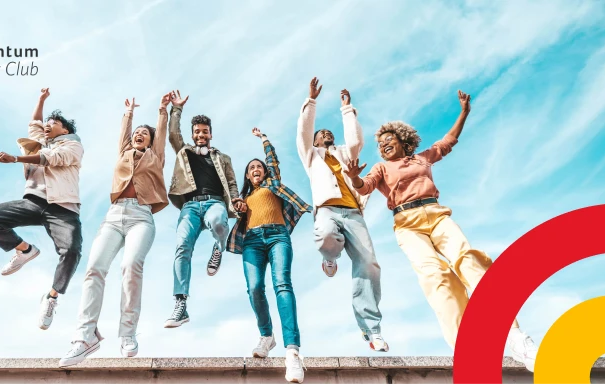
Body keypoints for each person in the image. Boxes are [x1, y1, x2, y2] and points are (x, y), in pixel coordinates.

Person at [344, 90, 539, 371]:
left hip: (436, 215)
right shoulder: (381, 168)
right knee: (437, 278)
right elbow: (365, 187)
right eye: (380, 143)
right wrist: (353, 178)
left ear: (403, 140)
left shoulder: (423, 158)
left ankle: (515, 338)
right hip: (407, 224)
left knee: (468, 261)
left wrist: (464, 112)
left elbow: (448, 142)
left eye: (389, 139)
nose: (384, 145)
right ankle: (468, 349)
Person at [59, 92, 173, 367]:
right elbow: (124, 132)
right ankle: (85, 336)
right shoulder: (123, 151)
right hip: (113, 215)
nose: (139, 134)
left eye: (145, 133)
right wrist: (129, 114)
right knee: (94, 268)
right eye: (136, 132)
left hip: (141, 216)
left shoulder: (156, 157)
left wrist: (162, 110)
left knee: (131, 265)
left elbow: (161, 133)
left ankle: (128, 333)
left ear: (151, 139)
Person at [0, 88, 84, 330]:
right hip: (34, 202)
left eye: (53, 123)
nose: (47, 125)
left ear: (65, 129)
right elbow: (34, 123)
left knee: (72, 251)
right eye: (47, 122)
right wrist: (41, 100)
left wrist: (15, 159)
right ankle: (25, 251)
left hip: (63, 208)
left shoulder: (73, 145)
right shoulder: (40, 139)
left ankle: (52, 297)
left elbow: (51, 158)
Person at [296, 77, 388, 351]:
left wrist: (347, 110)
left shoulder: (345, 153)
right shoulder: (311, 155)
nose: (325, 134)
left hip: (353, 213)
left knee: (369, 264)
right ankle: (330, 258)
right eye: (320, 133)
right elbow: (303, 131)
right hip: (327, 209)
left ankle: (372, 331)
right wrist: (311, 100)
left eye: (328, 133)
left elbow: (356, 140)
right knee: (325, 235)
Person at [226, 127, 312, 383]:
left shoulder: (272, 184)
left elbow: (273, 160)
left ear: (264, 172)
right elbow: (236, 210)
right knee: (254, 288)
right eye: (251, 167)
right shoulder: (244, 198)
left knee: (282, 284)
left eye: (259, 167)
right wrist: (238, 207)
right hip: (252, 241)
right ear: (247, 174)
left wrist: (264, 140)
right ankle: (267, 336)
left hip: (277, 236)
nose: (255, 169)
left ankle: (293, 351)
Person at [165, 90, 243, 328]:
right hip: (189, 206)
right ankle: (181, 303)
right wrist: (176, 109)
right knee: (182, 247)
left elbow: (230, 182)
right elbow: (172, 134)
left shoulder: (223, 158)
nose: (201, 135)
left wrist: (236, 200)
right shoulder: (184, 153)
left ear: (211, 134)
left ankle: (218, 249)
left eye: (204, 132)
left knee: (220, 222)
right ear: (193, 135)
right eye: (197, 132)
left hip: (214, 202)